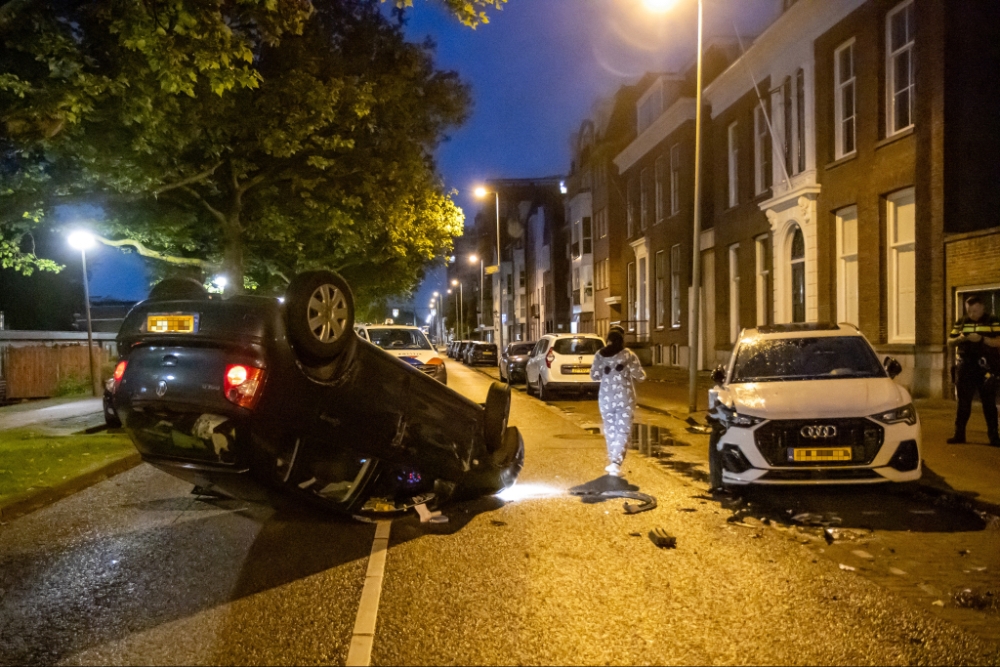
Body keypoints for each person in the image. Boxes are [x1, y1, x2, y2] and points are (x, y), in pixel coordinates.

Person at [590, 325, 646, 476]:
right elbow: (640, 376)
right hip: (624, 398)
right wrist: (626, 369)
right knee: (623, 430)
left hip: (606, 398)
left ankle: (612, 461)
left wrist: (605, 371)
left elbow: (594, 375)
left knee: (610, 430)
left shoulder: (599, 355)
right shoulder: (628, 355)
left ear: (608, 339)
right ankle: (616, 463)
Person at [947, 294, 1000, 447]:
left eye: (975, 311)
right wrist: (961, 339)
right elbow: (950, 341)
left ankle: (994, 437)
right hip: (966, 367)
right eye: (969, 311)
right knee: (963, 403)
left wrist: (983, 339)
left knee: (989, 403)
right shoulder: (962, 322)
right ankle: (959, 434)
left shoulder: (993, 320)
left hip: (985, 367)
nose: (972, 315)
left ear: (983, 307)